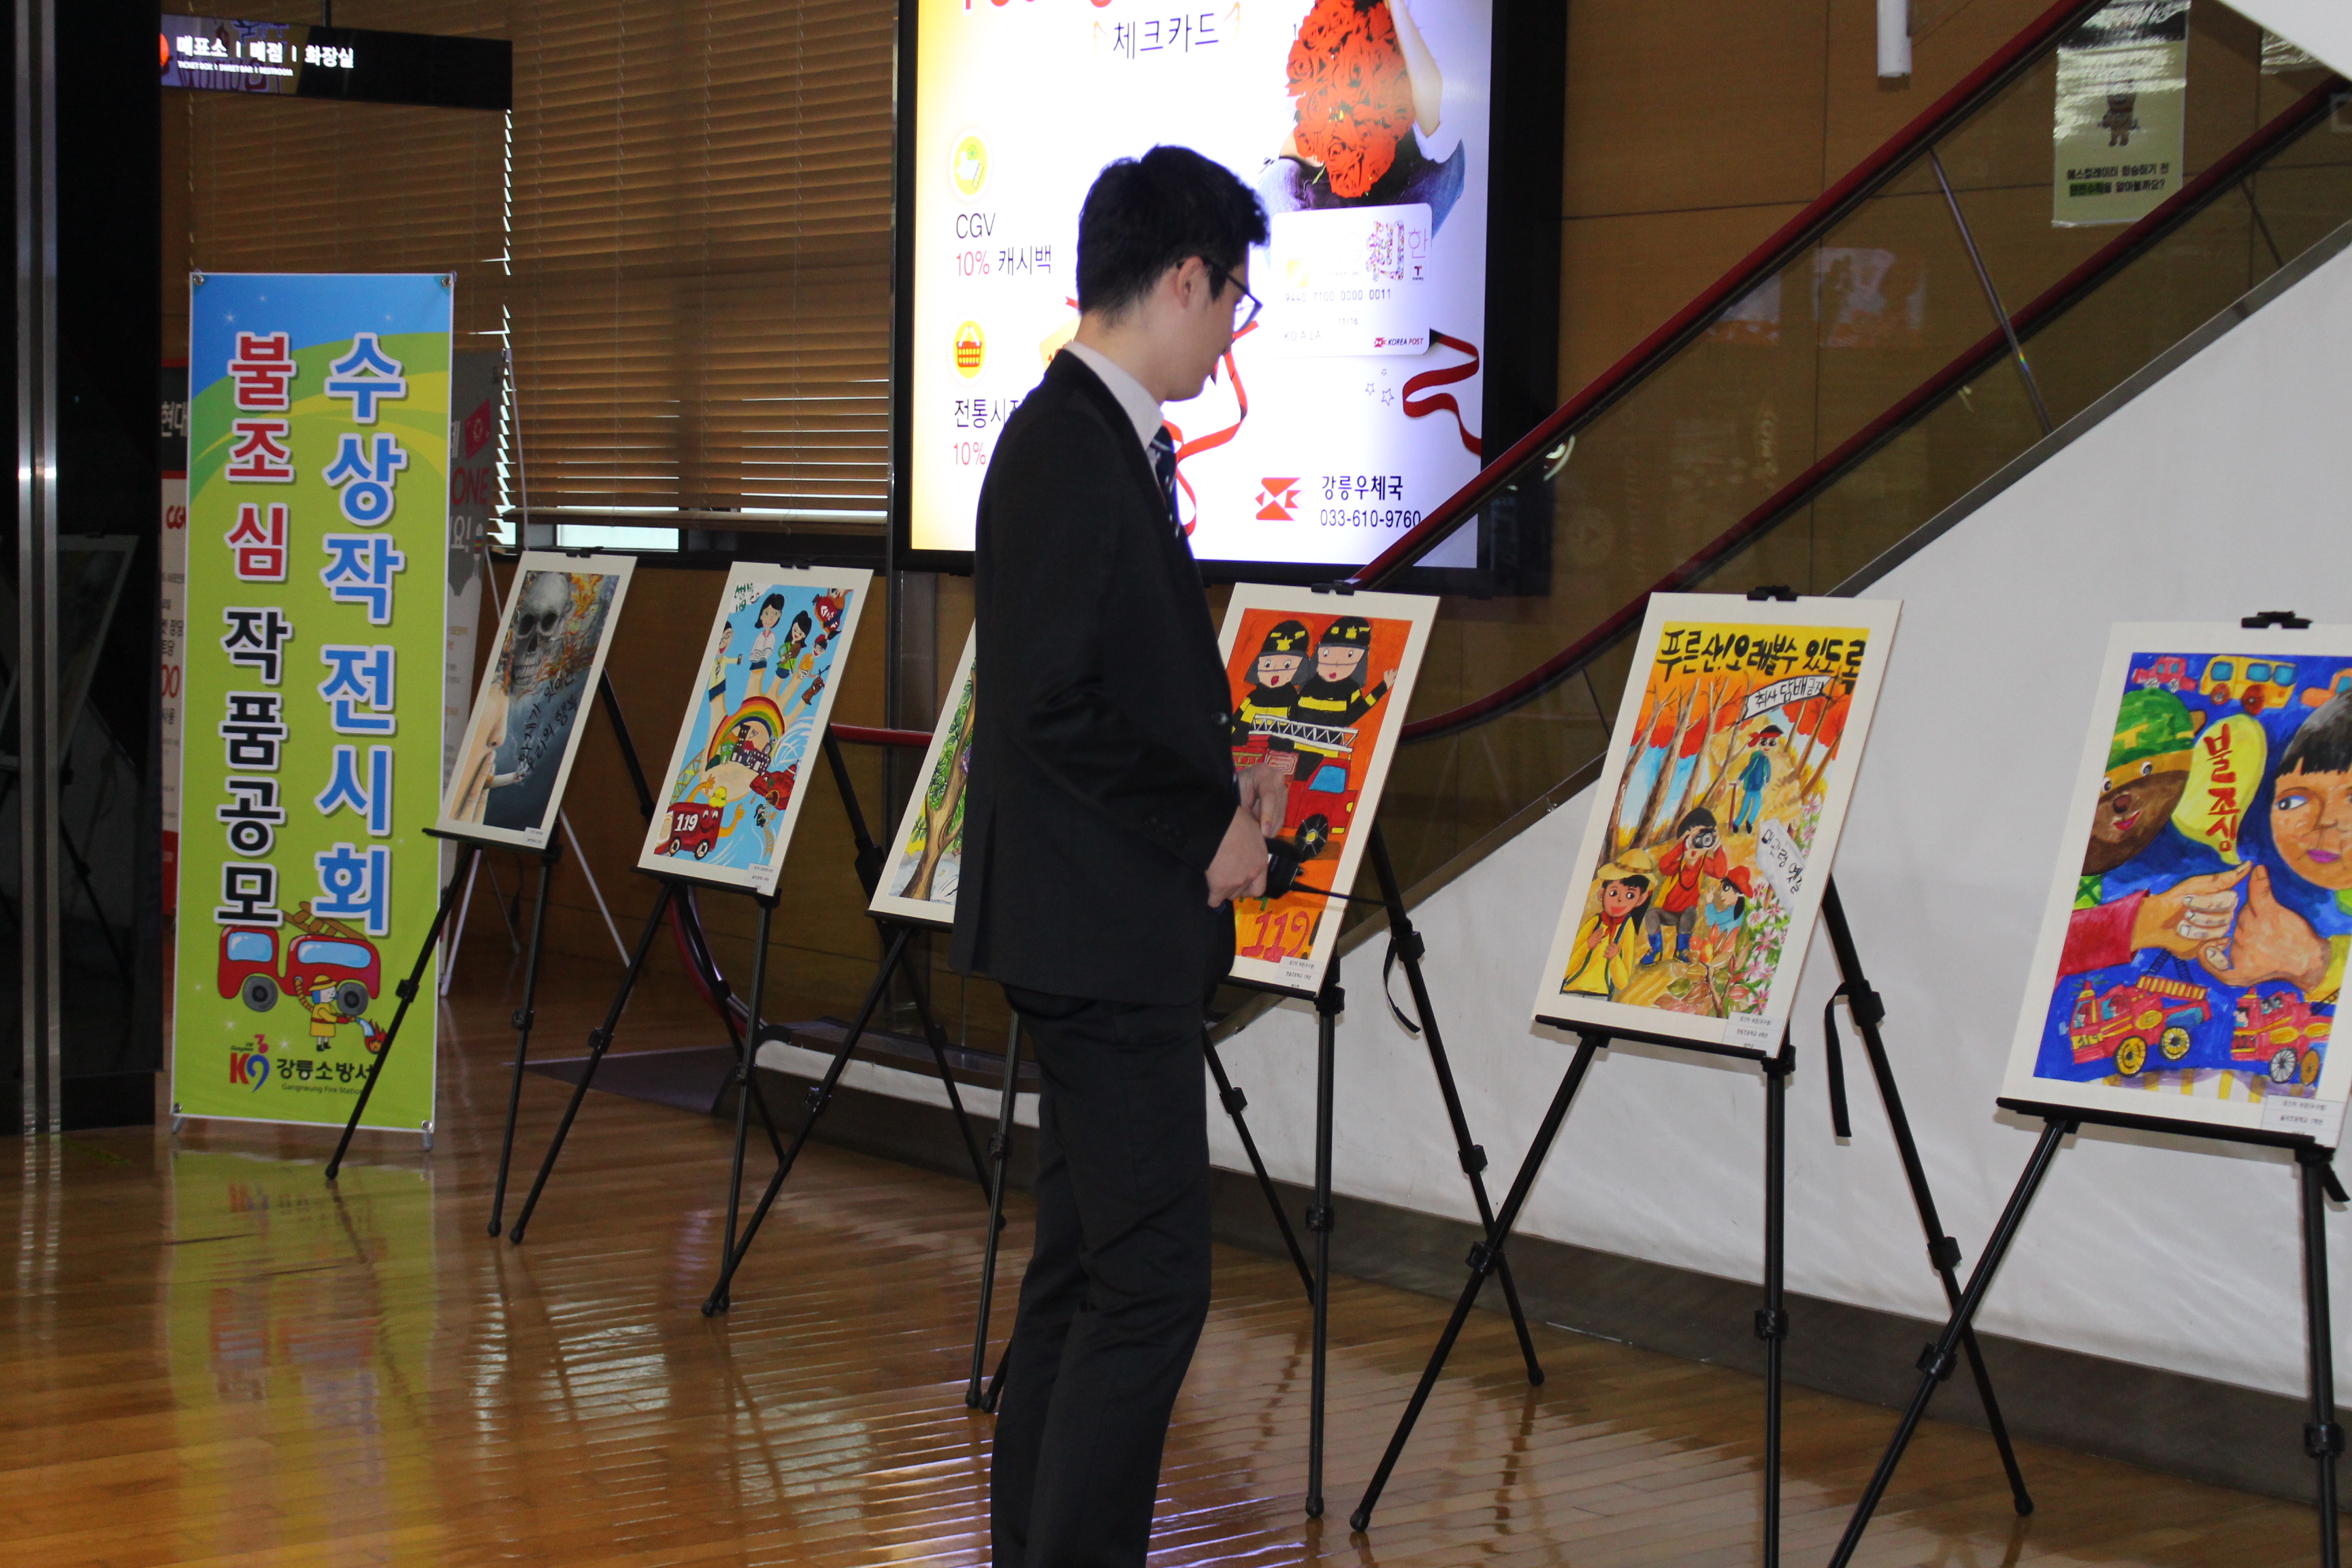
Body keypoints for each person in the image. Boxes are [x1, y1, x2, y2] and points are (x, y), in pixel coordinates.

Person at [951, 145, 1282, 1568]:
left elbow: (1097, 688)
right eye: (1236, 301)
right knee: (1151, 1293)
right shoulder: (1069, 444)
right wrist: (1203, 825)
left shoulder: (1093, 438)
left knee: (1086, 1276)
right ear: (1186, 278)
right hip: (1102, 938)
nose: (1233, 335)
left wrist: (1224, 779)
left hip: (1094, 927)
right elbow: (1051, 706)